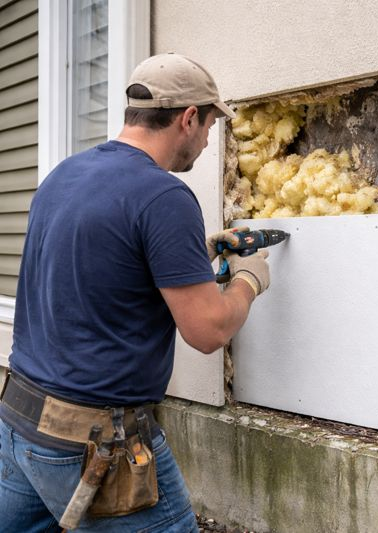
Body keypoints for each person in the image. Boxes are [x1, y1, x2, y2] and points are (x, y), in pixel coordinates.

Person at [0, 53, 269, 532]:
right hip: (96, 445)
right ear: (188, 119)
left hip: (19, 424)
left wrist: (194, 255)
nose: (209, 142)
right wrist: (249, 280)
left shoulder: (64, 175)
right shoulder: (163, 195)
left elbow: (96, 267)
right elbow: (207, 331)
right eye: (209, 126)